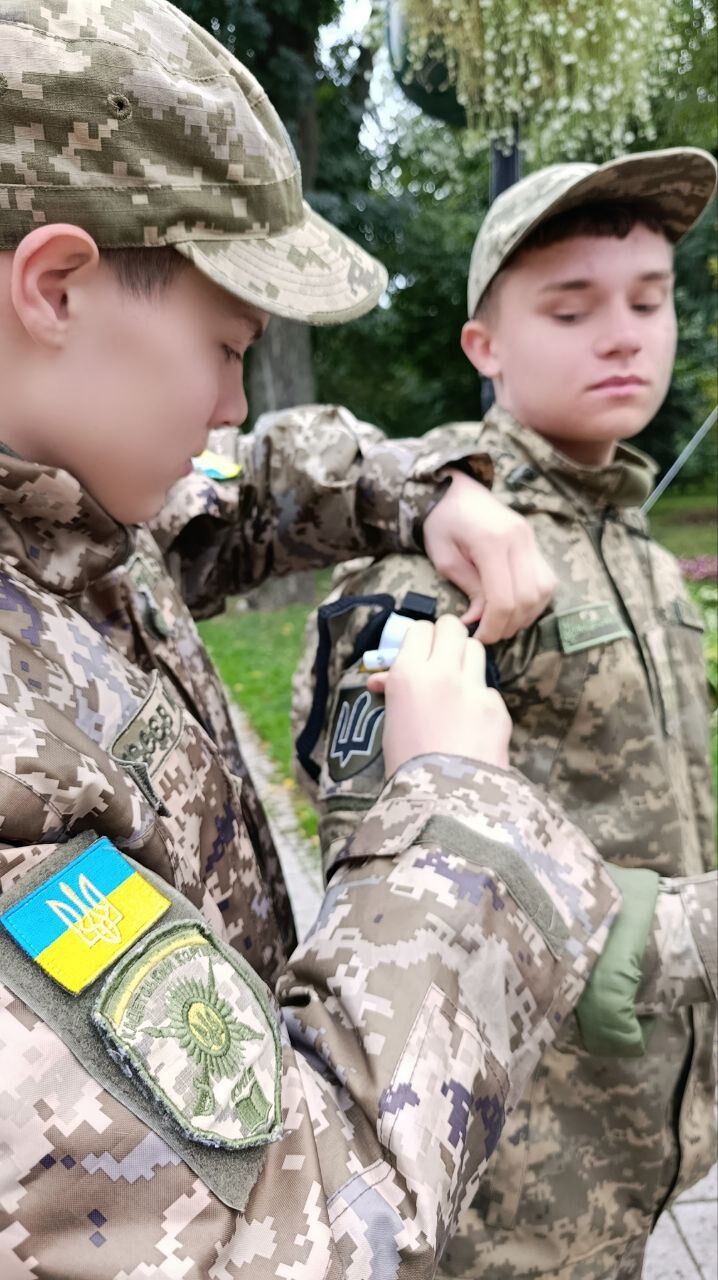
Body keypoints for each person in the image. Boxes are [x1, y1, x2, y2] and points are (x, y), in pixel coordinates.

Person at [0, 3, 632, 1276]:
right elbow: (296, 1224)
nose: (234, 401)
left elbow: (227, 495)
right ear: (56, 286)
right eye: (226, 346)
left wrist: (421, 489)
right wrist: (454, 811)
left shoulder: (63, 511)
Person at [292, 148, 718, 1279]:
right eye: (571, 309)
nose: (623, 337)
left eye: (648, 300)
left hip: (639, 1132)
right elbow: (382, 876)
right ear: (483, 346)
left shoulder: (637, 549)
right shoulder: (452, 559)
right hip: (511, 1170)